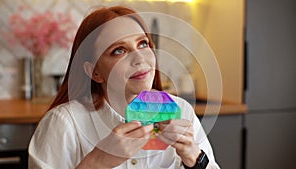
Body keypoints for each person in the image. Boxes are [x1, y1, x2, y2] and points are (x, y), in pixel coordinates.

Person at [28, 6, 220, 169]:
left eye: (143, 44)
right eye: (118, 50)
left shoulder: (182, 111)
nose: (139, 58)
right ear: (95, 72)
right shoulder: (63, 123)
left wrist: (194, 157)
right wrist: (98, 161)